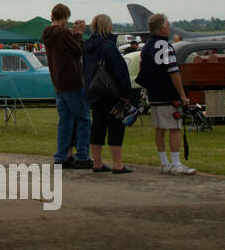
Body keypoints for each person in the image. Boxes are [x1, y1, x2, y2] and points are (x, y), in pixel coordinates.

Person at [136, 14, 196, 174]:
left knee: (160, 129)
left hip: (154, 95)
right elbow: (173, 72)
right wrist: (182, 95)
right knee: (175, 128)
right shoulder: (167, 47)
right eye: (168, 25)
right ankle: (176, 164)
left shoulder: (147, 47)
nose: (170, 27)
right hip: (169, 95)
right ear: (162, 28)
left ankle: (164, 162)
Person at [43, 4, 91, 169]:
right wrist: (78, 34)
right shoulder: (64, 33)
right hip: (72, 81)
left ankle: (61, 156)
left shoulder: (48, 33)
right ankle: (83, 155)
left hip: (58, 82)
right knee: (83, 119)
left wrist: (72, 33)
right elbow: (78, 51)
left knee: (65, 120)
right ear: (65, 17)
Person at [83, 14, 133, 173]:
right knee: (116, 126)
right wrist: (126, 92)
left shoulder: (88, 45)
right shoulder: (108, 46)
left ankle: (97, 162)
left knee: (97, 126)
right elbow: (119, 71)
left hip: (94, 90)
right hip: (111, 91)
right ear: (107, 26)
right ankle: (117, 164)